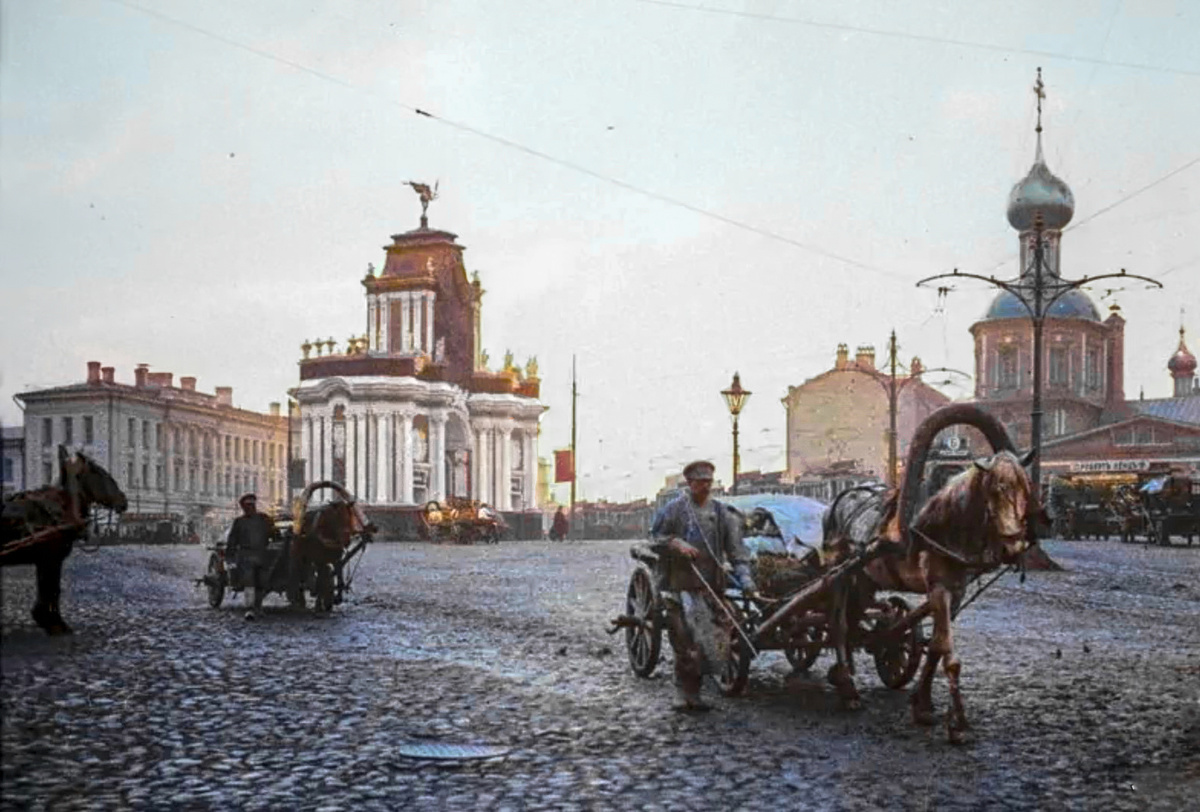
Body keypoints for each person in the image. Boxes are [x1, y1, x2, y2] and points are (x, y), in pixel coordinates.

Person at [649, 460, 757, 711]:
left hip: (712, 587)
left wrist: (746, 580)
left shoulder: (721, 514)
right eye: (700, 482)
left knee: (712, 640)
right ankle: (686, 692)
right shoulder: (674, 510)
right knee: (685, 641)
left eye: (709, 482)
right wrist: (676, 544)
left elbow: (737, 551)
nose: (706, 487)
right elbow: (655, 538)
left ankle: (699, 685)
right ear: (690, 483)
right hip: (680, 586)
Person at [226, 493, 276, 620]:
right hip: (246, 556)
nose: (249, 508)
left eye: (251, 505)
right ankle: (250, 609)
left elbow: (275, 535)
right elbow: (232, 541)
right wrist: (230, 558)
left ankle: (257, 608)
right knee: (250, 583)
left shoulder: (264, 519)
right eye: (247, 506)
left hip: (261, 555)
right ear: (243, 507)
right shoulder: (239, 522)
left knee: (261, 583)